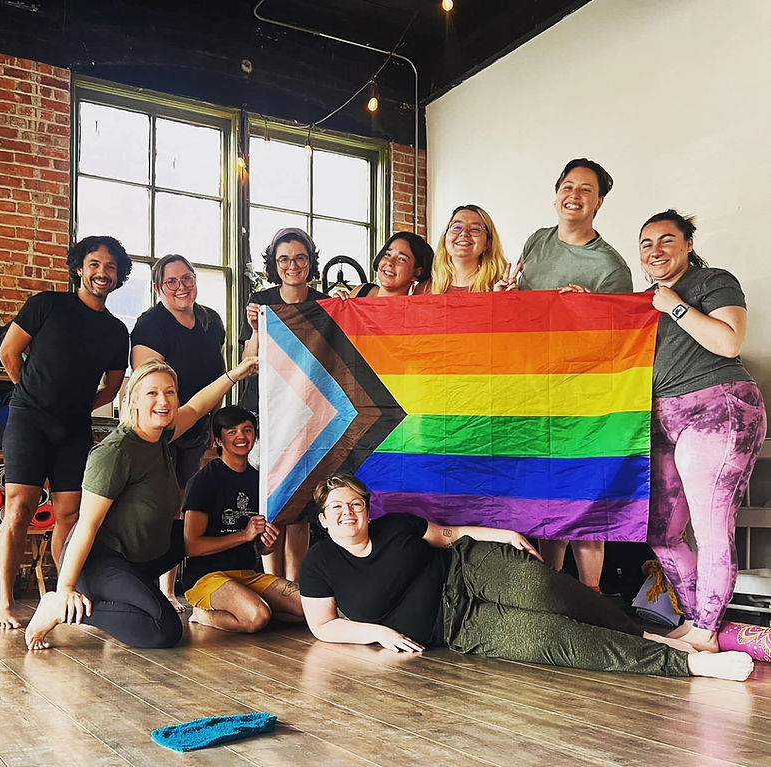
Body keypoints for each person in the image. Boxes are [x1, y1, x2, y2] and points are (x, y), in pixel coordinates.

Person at [299, 474, 753, 681]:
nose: (348, 513)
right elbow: (323, 626)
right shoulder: (319, 562)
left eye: (354, 503)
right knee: (548, 638)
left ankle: (654, 637)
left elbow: (450, 535)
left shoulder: (395, 524)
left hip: (468, 570)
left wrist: (502, 534)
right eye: (336, 507)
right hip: (457, 627)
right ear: (323, 518)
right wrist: (376, 632)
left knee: (544, 588)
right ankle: (687, 663)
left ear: (366, 507)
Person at [24, 356, 258, 651]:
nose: (164, 400)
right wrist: (66, 587)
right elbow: (86, 524)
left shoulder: (160, 435)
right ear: (132, 399)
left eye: (170, 392)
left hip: (138, 559)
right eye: (152, 393)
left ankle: (136, 595)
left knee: (186, 534)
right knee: (164, 630)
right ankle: (58, 609)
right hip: (101, 560)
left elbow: (198, 406)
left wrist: (235, 374)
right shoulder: (115, 452)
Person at [640, 210, 766, 653]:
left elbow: (730, 342)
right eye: (647, 243)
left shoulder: (712, 281)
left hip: (719, 407)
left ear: (688, 245)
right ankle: (698, 621)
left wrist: (674, 305)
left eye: (667, 240)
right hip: (663, 420)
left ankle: (706, 632)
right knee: (660, 531)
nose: (656, 250)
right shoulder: (645, 298)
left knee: (712, 527)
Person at [505, 158, 634, 588]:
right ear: (556, 192)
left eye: (585, 190)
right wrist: (506, 297)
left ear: (599, 202)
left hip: (584, 394)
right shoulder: (536, 242)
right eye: (568, 186)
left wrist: (589, 311)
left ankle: (593, 594)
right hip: (535, 388)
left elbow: (619, 339)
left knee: (585, 492)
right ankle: (553, 589)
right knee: (546, 492)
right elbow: (522, 313)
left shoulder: (611, 267)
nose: (573, 195)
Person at [0, 236, 131, 631]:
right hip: (29, 421)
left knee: (68, 515)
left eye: (110, 267)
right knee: (18, 509)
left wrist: (76, 408)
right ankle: (5, 603)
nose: (101, 273)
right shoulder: (47, 304)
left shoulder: (116, 330)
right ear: (79, 268)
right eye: (94, 264)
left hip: (73, 428)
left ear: (118, 276)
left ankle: (61, 596)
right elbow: (8, 352)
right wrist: (31, 394)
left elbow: (113, 385)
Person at [131, 254, 226, 609]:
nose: (181, 286)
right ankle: (143, 586)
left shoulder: (211, 321)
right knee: (155, 506)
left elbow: (219, 378)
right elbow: (145, 383)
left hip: (198, 430)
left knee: (180, 507)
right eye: (171, 281)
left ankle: (168, 589)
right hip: (160, 429)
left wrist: (216, 425)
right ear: (158, 288)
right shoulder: (151, 324)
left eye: (187, 278)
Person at [240, 227, 326, 581]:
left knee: (301, 506)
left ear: (310, 261)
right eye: (284, 259)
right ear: (275, 264)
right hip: (268, 412)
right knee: (271, 500)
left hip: (312, 414)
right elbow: (247, 362)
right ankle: (270, 583)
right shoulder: (261, 302)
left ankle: (294, 587)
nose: (293, 265)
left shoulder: (324, 305)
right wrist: (258, 331)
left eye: (300, 258)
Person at [183, 405, 304, 632]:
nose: (241, 436)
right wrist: (244, 535)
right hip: (206, 578)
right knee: (257, 617)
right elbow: (192, 546)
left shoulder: (261, 482)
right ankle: (203, 616)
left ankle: (252, 607)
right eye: (231, 432)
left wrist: (267, 543)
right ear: (218, 440)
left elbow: (261, 548)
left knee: (311, 608)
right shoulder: (204, 481)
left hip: (247, 575)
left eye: (247, 430)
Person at [428, 206, 510, 294]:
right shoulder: (425, 289)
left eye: (475, 229)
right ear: (445, 238)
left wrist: (504, 300)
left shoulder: (502, 288)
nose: (464, 233)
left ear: (488, 243)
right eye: (456, 227)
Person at [349, 232, 434, 297]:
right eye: (387, 254)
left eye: (401, 259)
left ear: (417, 272)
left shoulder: (412, 312)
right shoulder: (361, 291)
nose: (389, 262)